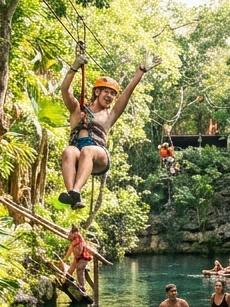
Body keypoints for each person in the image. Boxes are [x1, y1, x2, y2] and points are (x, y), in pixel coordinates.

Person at [59, 44, 160, 209]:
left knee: (87, 150)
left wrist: (141, 71)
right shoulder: (78, 110)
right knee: (69, 151)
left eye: (113, 94)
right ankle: (72, 195)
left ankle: (76, 190)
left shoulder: (109, 115)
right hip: (78, 154)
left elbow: (127, 93)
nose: (110, 96)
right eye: (107, 91)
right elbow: (65, 91)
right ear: (97, 92)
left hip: (98, 155)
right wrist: (74, 67)